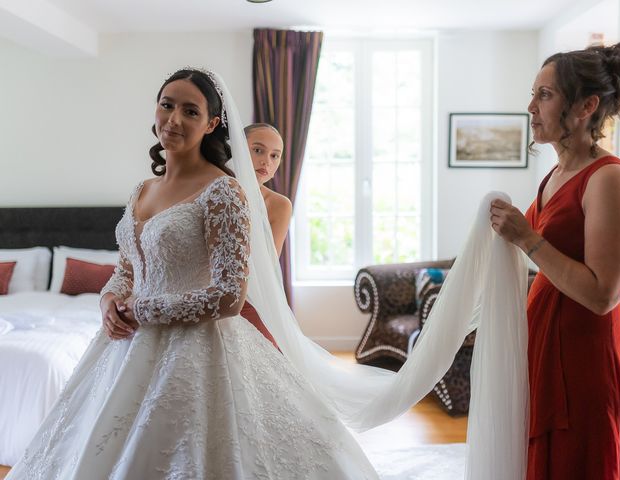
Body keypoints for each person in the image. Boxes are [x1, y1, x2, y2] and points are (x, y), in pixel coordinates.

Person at [6, 68, 379, 479]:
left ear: (211, 124)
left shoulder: (223, 191)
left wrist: (141, 311)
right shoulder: (142, 190)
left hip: (198, 349)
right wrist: (109, 299)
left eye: (190, 111)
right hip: (122, 348)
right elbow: (127, 266)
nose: (175, 119)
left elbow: (229, 296)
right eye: (168, 105)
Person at [490, 41, 620, 479]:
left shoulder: (610, 178)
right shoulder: (556, 175)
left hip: (584, 369)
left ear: (586, 106)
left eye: (545, 95)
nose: (531, 107)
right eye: (534, 94)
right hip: (545, 355)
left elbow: (602, 295)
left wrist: (527, 238)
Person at [239, 123, 291, 349]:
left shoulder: (279, 205)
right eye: (258, 150)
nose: (266, 162)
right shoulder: (209, 190)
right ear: (238, 148)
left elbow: (268, 264)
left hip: (253, 295)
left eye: (275, 155)